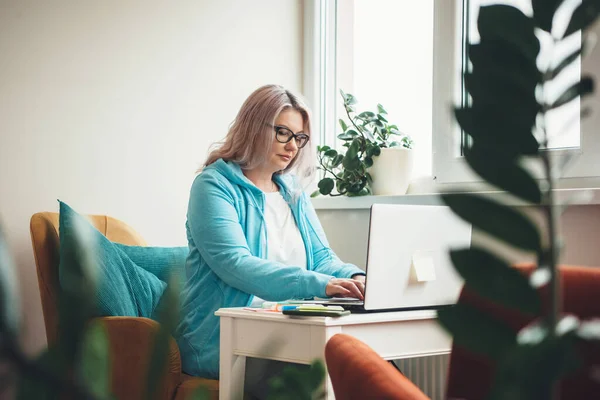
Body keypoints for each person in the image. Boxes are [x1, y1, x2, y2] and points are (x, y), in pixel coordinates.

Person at [176, 84, 366, 396]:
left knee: (371, 368)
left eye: (300, 137)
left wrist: (354, 277)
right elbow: (236, 265)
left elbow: (322, 259)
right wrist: (320, 284)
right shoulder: (213, 186)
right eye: (283, 133)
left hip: (291, 332)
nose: (293, 145)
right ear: (253, 127)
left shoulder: (292, 192)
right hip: (224, 341)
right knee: (327, 376)